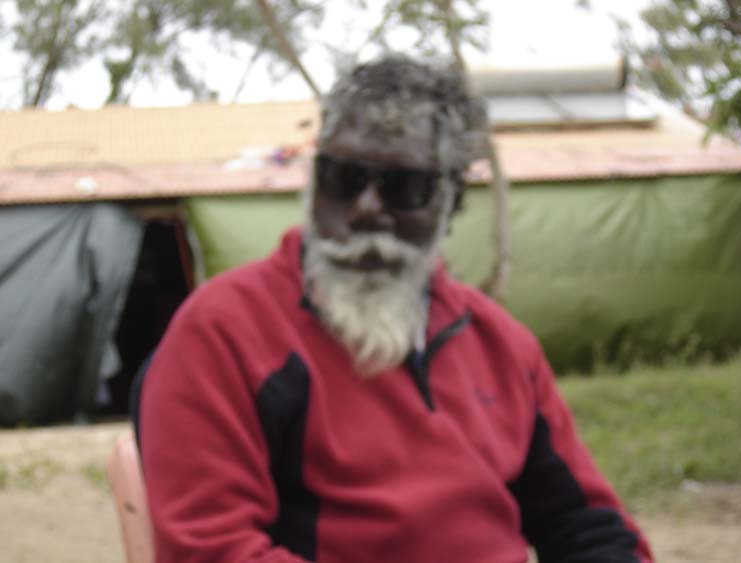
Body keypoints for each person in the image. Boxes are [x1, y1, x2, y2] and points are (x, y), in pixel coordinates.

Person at [139, 55, 653, 563]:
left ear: (451, 202)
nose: (366, 208)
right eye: (343, 178)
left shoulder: (500, 344)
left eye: (404, 187)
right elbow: (210, 548)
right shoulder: (225, 331)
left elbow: (587, 525)